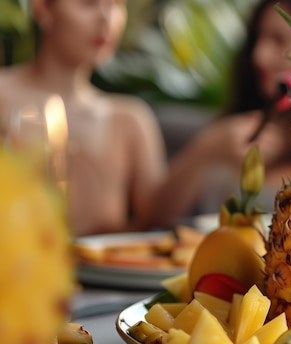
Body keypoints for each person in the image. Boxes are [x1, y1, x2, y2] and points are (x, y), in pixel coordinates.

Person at [0, 0, 168, 237]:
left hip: (103, 274)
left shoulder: (130, 119)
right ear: (43, 8)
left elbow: (157, 223)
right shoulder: (3, 97)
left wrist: (208, 151)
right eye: (88, 3)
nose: (106, 19)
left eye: (117, 4)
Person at [150, 0, 291, 226]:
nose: (258, 56)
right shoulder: (232, 132)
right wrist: (210, 146)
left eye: (279, 40)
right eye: (258, 39)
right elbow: (153, 218)